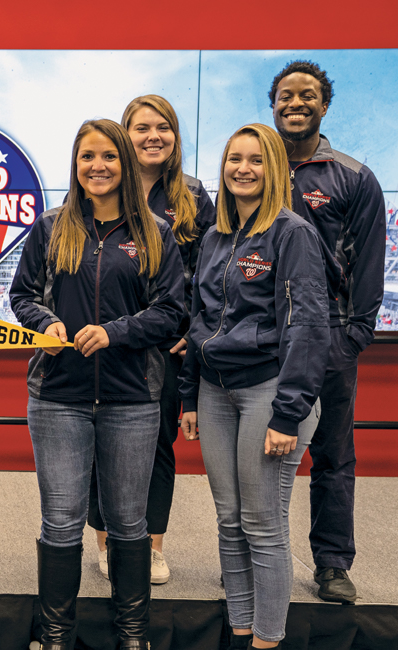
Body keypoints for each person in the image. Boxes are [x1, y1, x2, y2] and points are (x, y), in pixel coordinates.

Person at [10, 119, 185, 650]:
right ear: (76, 164)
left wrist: (114, 333)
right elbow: (21, 297)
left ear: (125, 164)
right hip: (58, 396)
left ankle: (133, 635)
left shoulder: (154, 232)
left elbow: (173, 312)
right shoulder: (51, 227)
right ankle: (56, 635)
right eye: (87, 156)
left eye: (108, 156)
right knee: (61, 520)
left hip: (132, 398)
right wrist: (45, 323)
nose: (98, 166)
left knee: (129, 522)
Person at [179, 123, 331, 650]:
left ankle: (267, 641)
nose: (242, 168)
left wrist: (288, 414)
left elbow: (309, 327)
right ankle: (240, 631)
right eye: (233, 159)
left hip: (271, 392)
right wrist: (188, 395)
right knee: (229, 521)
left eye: (255, 160)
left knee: (263, 525)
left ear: (274, 169)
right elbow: (199, 319)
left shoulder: (292, 234)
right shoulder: (217, 237)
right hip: (215, 392)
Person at [268, 60, 386, 604]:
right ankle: (258, 557)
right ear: (273, 103)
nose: (296, 103)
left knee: (334, 457)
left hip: (332, 336)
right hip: (264, 336)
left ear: (324, 104)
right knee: (260, 451)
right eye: (286, 95)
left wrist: (353, 337)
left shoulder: (354, 177)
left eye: (307, 95)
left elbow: (368, 267)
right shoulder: (253, 167)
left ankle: (333, 564)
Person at [87, 95, 217, 584]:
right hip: (101, 343)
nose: (153, 136)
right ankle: (103, 542)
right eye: (141, 128)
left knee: (159, 446)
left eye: (164, 127)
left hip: (164, 345)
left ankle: (152, 545)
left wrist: (196, 329)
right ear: (124, 136)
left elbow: (213, 271)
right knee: (101, 444)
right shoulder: (99, 189)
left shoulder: (194, 195)